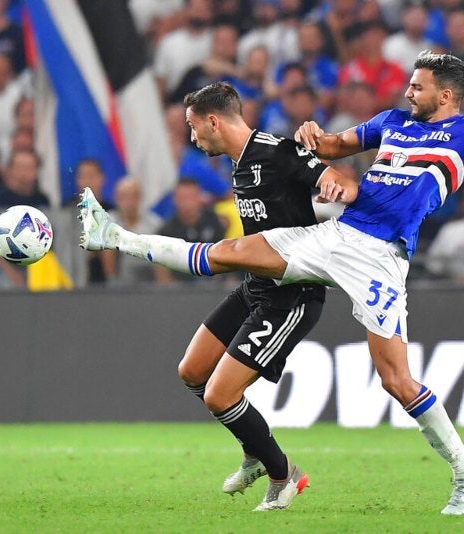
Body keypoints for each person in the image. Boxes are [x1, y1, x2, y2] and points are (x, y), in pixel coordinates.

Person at [80, 52, 464, 515]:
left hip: (381, 259)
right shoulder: (390, 122)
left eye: (418, 87)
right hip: (335, 236)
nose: (408, 92)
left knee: (395, 380)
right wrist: (314, 136)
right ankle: (117, 237)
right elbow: (333, 146)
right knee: (229, 253)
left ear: (445, 94)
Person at [88, 82, 334, 511]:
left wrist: (339, 190)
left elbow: (331, 179)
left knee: (221, 395)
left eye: (192, 127)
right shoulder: (238, 165)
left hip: (291, 296)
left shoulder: (277, 151)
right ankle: (255, 451)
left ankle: (284, 475)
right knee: (192, 371)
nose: (191, 137)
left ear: (212, 121)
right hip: (255, 286)